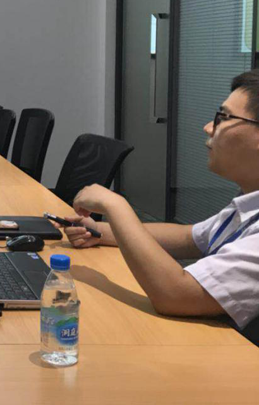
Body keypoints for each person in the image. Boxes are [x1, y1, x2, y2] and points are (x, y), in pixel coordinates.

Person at [55, 70, 259, 335]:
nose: (209, 127)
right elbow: (189, 237)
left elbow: (176, 295)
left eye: (224, 118)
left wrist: (116, 206)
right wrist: (100, 230)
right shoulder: (247, 205)